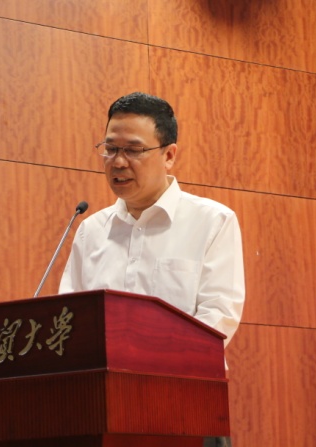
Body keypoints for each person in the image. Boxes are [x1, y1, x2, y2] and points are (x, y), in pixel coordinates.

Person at [59, 92, 245, 447]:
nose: (118, 162)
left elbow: (217, 318)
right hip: (99, 408)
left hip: (183, 403)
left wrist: (138, 359)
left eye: (133, 150)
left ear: (169, 155)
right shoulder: (91, 231)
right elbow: (69, 320)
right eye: (110, 149)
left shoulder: (211, 221)